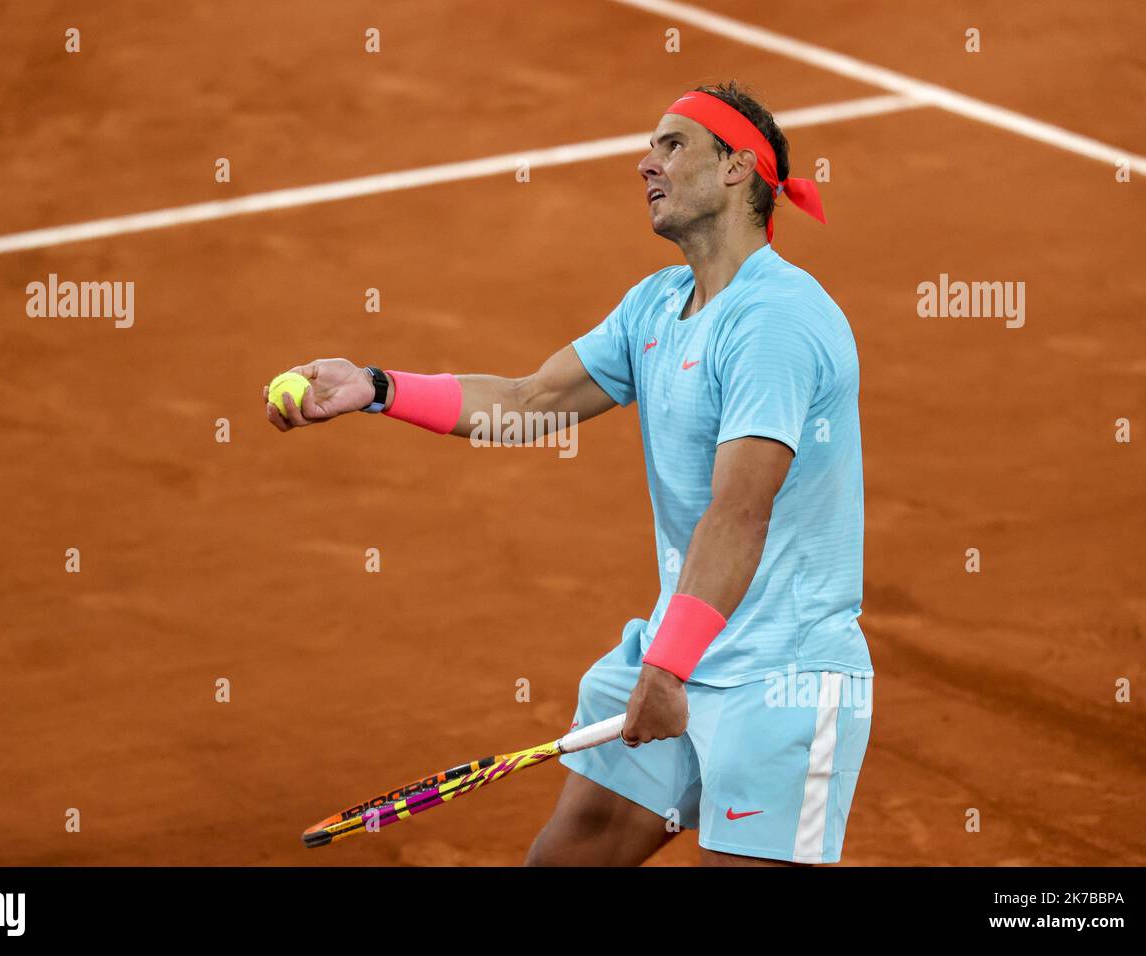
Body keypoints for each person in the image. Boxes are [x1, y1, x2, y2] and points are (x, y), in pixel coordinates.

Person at [265, 82, 873, 867]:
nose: (644, 163)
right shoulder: (657, 307)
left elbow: (739, 512)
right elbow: (529, 400)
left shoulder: (776, 322)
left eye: (671, 144)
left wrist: (668, 664)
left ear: (736, 168)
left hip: (780, 682)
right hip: (680, 652)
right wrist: (377, 388)